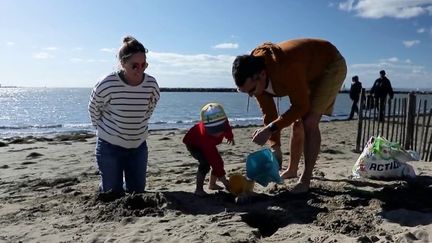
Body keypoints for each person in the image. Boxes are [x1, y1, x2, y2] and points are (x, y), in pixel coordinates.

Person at [232, 38, 347, 193]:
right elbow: (269, 112)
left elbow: (301, 106)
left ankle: (305, 180)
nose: (252, 95)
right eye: (247, 93)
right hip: (307, 69)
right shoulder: (254, 73)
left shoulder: (286, 68)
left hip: (330, 63)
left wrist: (270, 129)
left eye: (252, 90)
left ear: (263, 74)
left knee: (309, 121)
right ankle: (292, 170)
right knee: (298, 124)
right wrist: (275, 146)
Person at [88, 36, 160, 197]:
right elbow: (94, 109)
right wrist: (103, 130)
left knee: (137, 192)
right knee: (112, 193)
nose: (139, 69)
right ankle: (107, 183)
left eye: (144, 65)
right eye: (134, 65)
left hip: (138, 146)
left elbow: (150, 108)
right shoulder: (107, 83)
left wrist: (138, 126)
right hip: (109, 146)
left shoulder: (151, 84)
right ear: (122, 63)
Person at [183, 103, 235, 196]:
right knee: (205, 163)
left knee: (219, 162)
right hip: (194, 144)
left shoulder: (223, 122)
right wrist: (224, 181)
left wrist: (229, 137)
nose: (217, 133)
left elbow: (227, 127)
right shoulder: (205, 136)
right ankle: (199, 189)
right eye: (213, 130)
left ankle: (212, 184)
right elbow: (213, 161)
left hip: (208, 144)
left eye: (220, 129)